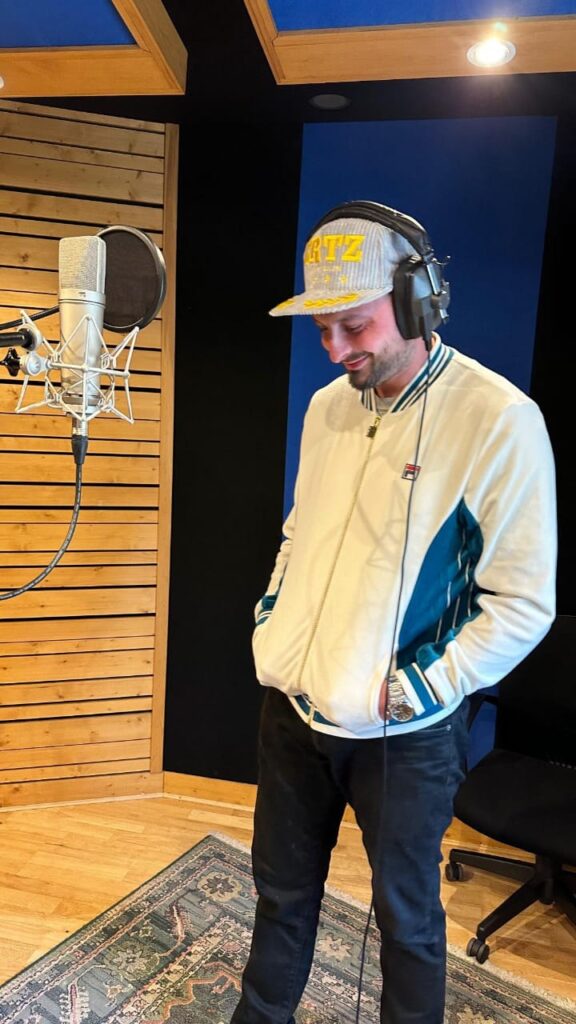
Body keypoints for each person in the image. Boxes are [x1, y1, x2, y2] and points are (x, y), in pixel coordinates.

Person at [231, 201, 557, 1024]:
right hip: (293, 711)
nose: (336, 350)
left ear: (418, 302)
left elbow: (524, 602)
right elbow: (299, 532)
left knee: (406, 922)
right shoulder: (327, 408)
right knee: (279, 896)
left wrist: (419, 688)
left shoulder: (499, 421)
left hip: (405, 734)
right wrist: (274, 622)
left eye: (355, 325)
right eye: (323, 329)